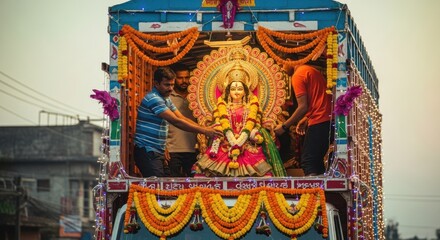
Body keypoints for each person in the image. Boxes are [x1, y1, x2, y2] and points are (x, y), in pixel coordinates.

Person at [193, 63, 286, 177]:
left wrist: (252, 134)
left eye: (240, 88)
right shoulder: (222, 107)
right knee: (207, 173)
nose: (236, 91)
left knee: (263, 175)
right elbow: (218, 124)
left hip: (247, 144)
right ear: (228, 91)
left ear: (246, 91)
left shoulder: (251, 107)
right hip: (226, 143)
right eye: (233, 89)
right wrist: (227, 137)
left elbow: (255, 125)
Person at [134, 67, 223, 178]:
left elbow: (181, 117)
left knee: (167, 187)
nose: (171, 88)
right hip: (147, 150)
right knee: (157, 188)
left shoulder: (166, 98)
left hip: (157, 151)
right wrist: (205, 131)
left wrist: (205, 128)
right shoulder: (154, 99)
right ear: (156, 83)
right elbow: (176, 121)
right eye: (167, 85)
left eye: (172, 84)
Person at [274, 64, 332, 176]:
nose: (281, 69)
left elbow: (303, 106)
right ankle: (321, 190)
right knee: (316, 161)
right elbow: (318, 99)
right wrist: (306, 118)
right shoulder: (310, 70)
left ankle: (312, 192)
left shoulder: (298, 75)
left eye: (281, 64)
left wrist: (284, 127)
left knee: (308, 161)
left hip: (319, 119)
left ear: (288, 61)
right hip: (326, 118)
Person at [165, 64, 198, 177]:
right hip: (172, 149)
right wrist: (163, 146)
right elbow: (161, 123)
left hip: (194, 149)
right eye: (180, 78)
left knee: (195, 183)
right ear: (173, 79)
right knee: (174, 184)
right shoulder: (167, 97)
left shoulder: (196, 97)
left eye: (187, 77)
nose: (184, 81)